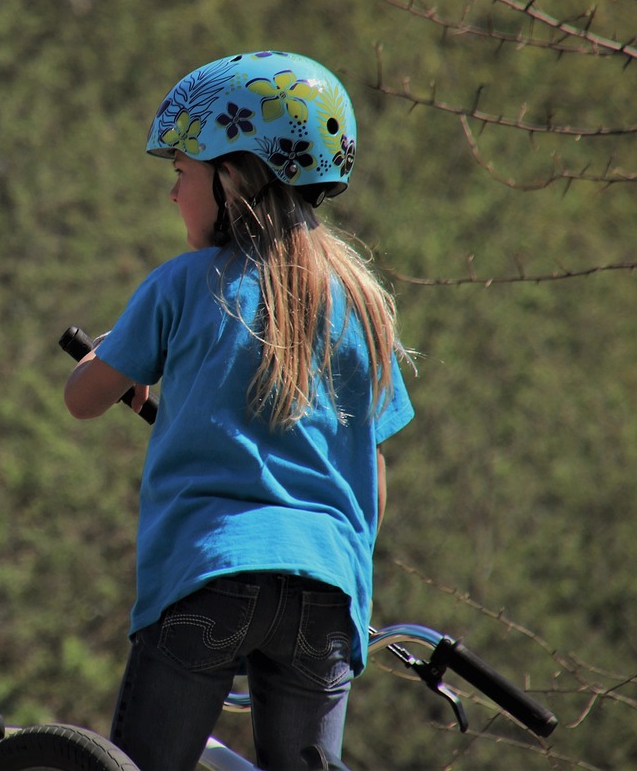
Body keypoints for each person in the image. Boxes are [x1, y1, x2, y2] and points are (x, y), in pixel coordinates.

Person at [63, 51, 413, 770]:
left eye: (181, 172)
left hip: (209, 570)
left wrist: (108, 361)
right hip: (327, 588)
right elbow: (372, 480)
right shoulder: (362, 303)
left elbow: (82, 397)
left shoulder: (183, 284)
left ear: (231, 176)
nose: (173, 194)